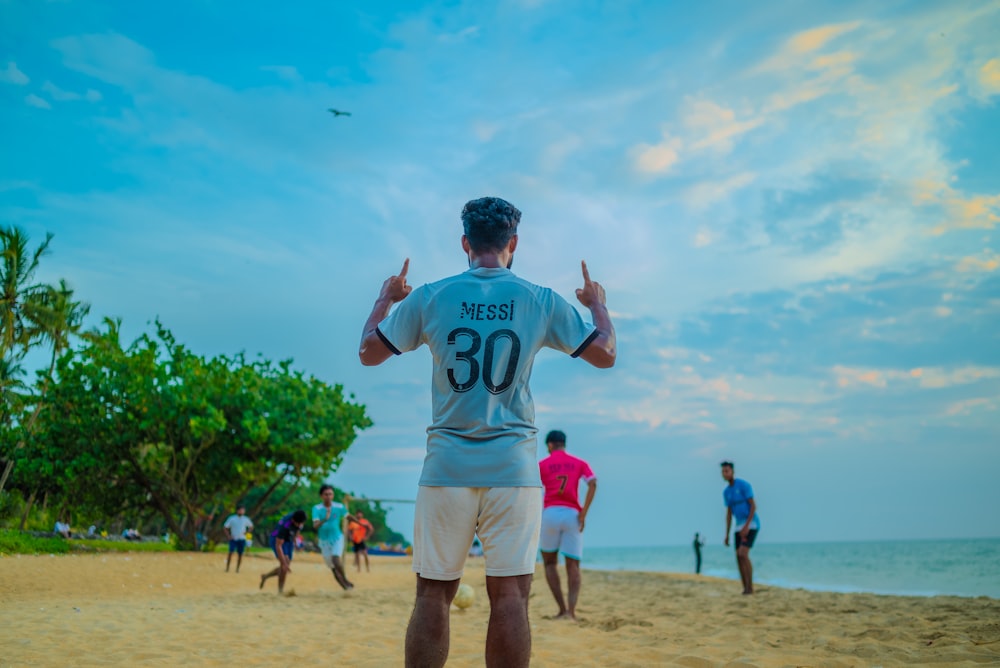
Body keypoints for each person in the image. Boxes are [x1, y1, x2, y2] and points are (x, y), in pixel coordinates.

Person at [359, 196, 616, 667]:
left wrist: (385, 298)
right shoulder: (538, 299)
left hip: (445, 467)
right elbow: (604, 353)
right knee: (512, 596)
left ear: (465, 244)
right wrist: (598, 305)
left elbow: (369, 352)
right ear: (513, 242)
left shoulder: (431, 296)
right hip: (514, 470)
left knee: (433, 595)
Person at [538, 429, 597, 622]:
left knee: (549, 563)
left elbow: (529, 487)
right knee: (573, 565)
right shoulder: (579, 463)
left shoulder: (542, 465)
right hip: (573, 514)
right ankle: (571, 612)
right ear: (564, 443)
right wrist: (584, 513)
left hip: (550, 514)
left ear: (549, 445)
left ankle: (561, 609)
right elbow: (593, 483)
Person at [721, 461, 760, 595]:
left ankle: (750, 588)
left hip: (752, 523)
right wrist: (726, 534)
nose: (725, 473)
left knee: (743, 553)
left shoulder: (743, 485)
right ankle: (745, 588)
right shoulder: (726, 492)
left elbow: (753, 506)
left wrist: (747, 526)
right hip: (738, 527)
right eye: (723, 471)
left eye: (727, 471)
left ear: (732, 471)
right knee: (738, 557)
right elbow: (729, 514)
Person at [311, 485, 355, 590]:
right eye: (326, 494)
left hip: (337, 538)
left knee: (336, 559)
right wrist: (325, 519)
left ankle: (345, 579)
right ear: (321, 496)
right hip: (324, 541)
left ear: (333, 495)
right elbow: (315, 526)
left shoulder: (339, 507)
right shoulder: (316, 508)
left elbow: (348, 516)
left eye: (330, 494)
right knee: (333, 568)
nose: (328, 496)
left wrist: (359, 525)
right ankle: (345, 587)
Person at [259, 509, 307, 594]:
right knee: (284, 566)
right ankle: (280, 591)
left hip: (289, 539)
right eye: (298, 523)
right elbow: (278, 545)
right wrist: (284, 562)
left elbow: (297, 530)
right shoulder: (285, 525)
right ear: (293, 520)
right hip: (277, 540)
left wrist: (295, 542)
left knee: (285, 566)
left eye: (301, 523)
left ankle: (265, 576)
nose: (300, 525)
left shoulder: (299, 519)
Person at [222, 505, 254, 573]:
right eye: (241, 510)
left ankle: (237, 569)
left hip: (242, 538)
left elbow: (251, 526)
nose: (242, 511)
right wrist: (228, 536)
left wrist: (247, 532)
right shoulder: (232, 518)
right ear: (237, 510)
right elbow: (225, 527)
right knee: (230, 552)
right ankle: (227, 568)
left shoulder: (245, 519)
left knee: (240, 554)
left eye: (243, 510)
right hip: (233, 538)